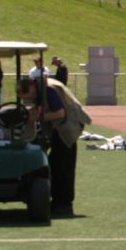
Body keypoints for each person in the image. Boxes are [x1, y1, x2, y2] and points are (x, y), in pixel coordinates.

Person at [16, 76, 90, 216]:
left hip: (67, 129)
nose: (30, 100)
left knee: (63, 167)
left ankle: (64, 205)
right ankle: (57, 202)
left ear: (31, 88)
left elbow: (59, 113)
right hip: (61, 129)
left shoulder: (48, 89)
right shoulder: (42, 88)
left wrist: (37, 117)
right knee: (55, 165)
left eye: (29, 97)